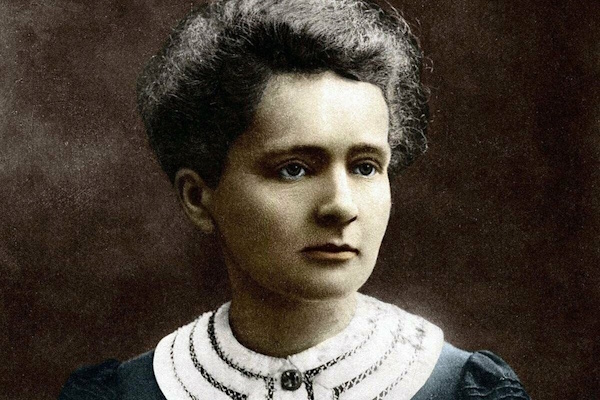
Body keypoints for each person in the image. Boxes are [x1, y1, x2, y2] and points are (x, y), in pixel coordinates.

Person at [59, 0, 530, 399]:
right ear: (199, 197)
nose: (341, 206)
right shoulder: (133, 391)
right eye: (294, 169)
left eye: (365, 167)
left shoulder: (460, 389)